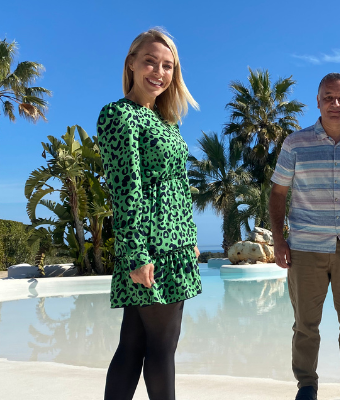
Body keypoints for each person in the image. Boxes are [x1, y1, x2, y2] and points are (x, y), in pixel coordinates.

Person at [98, 28, 201, 400]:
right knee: (160, 348)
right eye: (150, 62)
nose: (159, 72)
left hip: (176, 246)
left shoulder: (165, 120)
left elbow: (178, 185)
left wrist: (190, 240)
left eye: (167, 66)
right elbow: (126, 190)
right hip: (151, 247)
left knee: (134, 343)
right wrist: (137, 255)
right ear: (131, 63)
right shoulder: (119, 115)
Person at [269, 73, 340, 400]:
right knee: (305, 324)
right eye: (328, 97)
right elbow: (278, 193)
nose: (335, 103)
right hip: (306, 248)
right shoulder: (295, 143)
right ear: (318, 102)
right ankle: (307, 385)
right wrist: (279, 240)